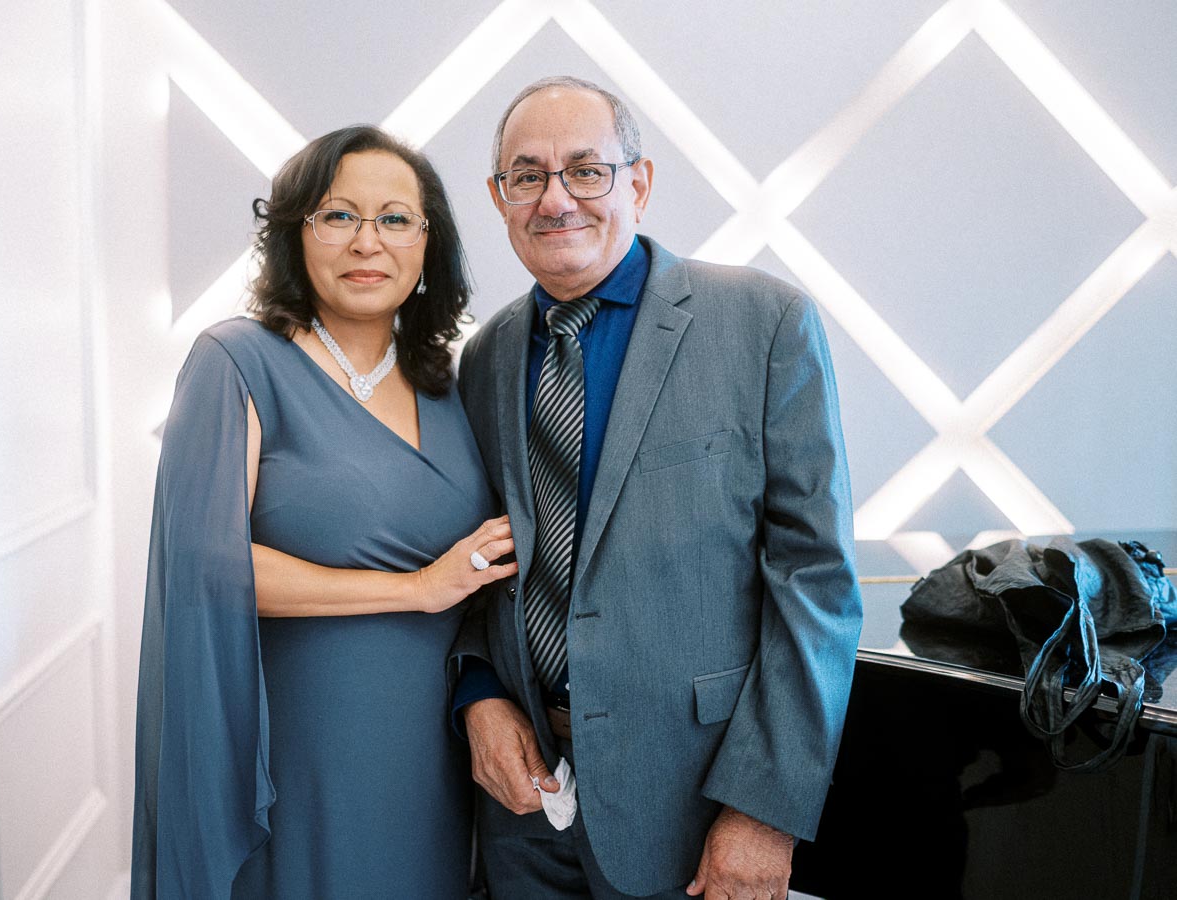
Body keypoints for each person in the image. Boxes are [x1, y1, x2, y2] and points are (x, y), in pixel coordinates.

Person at [451, 76, 865, 900]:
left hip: (694, 805)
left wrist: (763, 810)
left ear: (638, 182)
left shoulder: (763, 321)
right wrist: (480, 694)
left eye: (586, 169)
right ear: (500, 199)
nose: (556, 198)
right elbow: (482, 560)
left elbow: (814, 583)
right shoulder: (486, 357)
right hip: (525, 810)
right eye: (527, 175)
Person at [131, 125, 518, 899]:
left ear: (427, 242)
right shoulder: (235, 361)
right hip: (299, 743)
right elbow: (208, 565)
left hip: (429, 752)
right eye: (337, 216)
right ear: (294, 235)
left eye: (394, 218)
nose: (366, 242)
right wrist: (412, 588)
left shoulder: (453, 383)